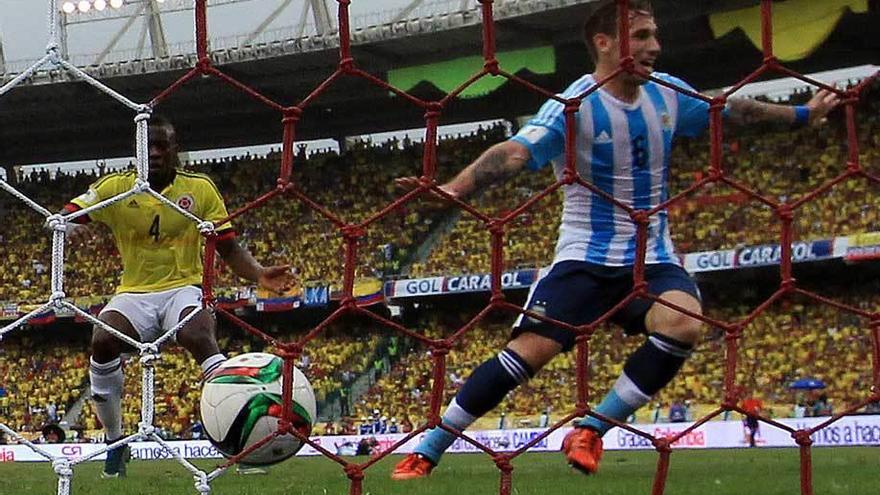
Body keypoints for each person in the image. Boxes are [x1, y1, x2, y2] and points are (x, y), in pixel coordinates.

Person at [389, 0, 839, 480]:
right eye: (642, 36)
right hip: (584, 259)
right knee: (529, 355)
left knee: (685, 324)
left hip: (652, 261)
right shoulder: (574, 105)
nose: (655, 47)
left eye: (655, 35)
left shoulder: (668, 94)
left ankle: (591, 429)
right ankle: (430, 447)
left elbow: (735, 110)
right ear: (604, 43)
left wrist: (801, 115)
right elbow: (516, 153)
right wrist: (457, 188)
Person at [63, 115, 295, 478]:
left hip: (184, 288)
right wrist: (68, 223)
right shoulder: (116, 188)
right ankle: (115, 442)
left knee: (197, 335)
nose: (154, 153)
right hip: (134, 293)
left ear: (176, 151)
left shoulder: (200, 189)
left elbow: (229, 247)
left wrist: (259, 273)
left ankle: (240, 446)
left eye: (162, 146)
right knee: (103, 339)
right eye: (147, 146)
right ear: (136, 152)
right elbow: (70, 212)